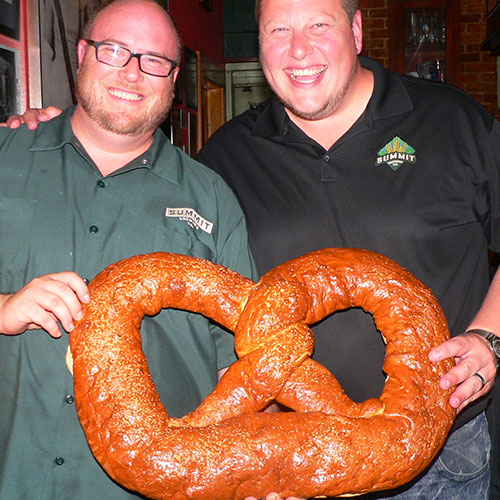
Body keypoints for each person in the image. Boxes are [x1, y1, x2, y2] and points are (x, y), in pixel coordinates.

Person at [7, 0, 500, 499]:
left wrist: (491, 337)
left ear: (355, 30)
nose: (298, 48)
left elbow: (244, 343)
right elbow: (239, 331)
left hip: (437, 454)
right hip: (275, 459)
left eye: (319, 25)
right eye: (278, 29)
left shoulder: (451, 119)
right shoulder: (226, 158)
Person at [0, 1, 256, 499]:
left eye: (154, 60)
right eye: (114, 50)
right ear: (81, 53)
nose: (133, 73)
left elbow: (241, 370)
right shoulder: (5, 159)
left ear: (174, 78)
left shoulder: (213, 200)